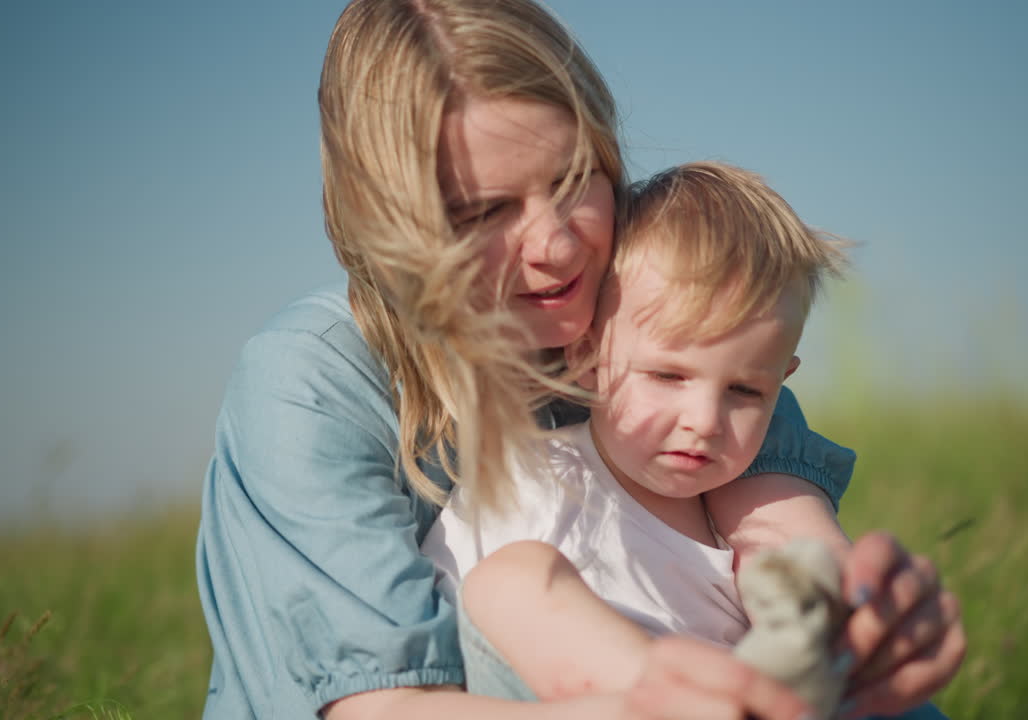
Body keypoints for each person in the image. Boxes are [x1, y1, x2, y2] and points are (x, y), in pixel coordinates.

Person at [194, 1, 965, 719]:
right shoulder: (312, 382)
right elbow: (383, 706)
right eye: (483, 212)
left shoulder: (665, 329)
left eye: (572, 180)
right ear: (392, 223)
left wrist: (862, 613)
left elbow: (781, 530)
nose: (558, 247)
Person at [422, 162, 953, 720]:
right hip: (575, 701)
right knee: (511, 580)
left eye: (744, 391)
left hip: (747, 695)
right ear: (585, 357)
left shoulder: (742, 532)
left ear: (782, 385)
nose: (704, 421)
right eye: (667, 376)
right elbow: (460, 625)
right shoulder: (534, 476)